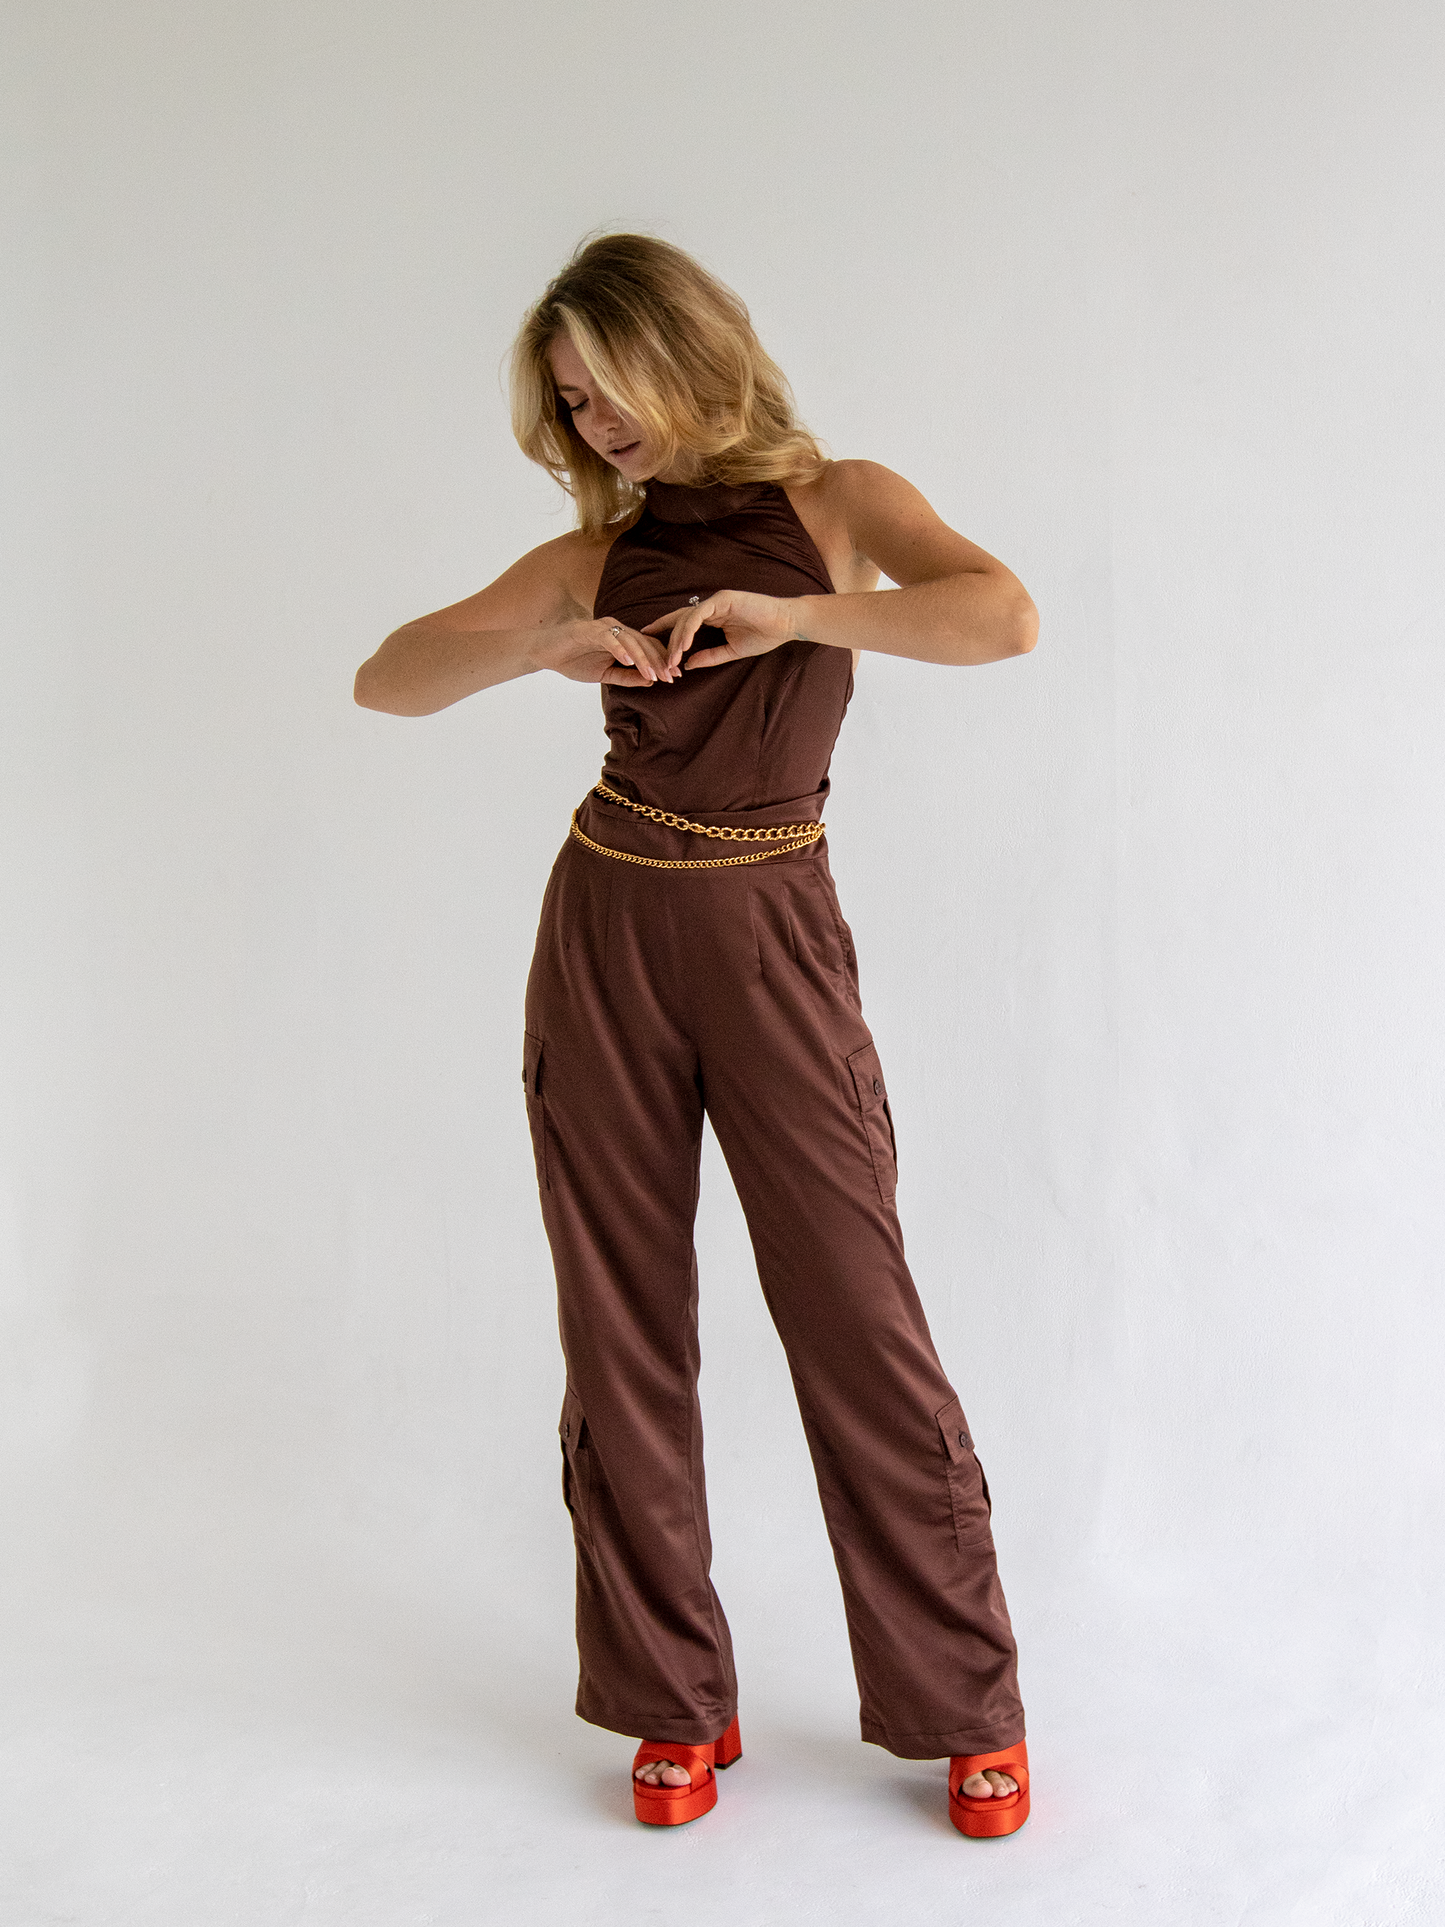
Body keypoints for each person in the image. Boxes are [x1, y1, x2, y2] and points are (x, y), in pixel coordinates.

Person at [354, 232, 1039, 1837]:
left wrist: (796, 616)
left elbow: (1002, 616)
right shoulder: (595, 555)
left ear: (691, 354)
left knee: (855, 1310)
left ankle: (964, 1699)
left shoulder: (841, 502)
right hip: (606, 927)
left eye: (610, 388)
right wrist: (544, 643)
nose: (596, 425)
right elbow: (386, 679)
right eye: (570, 404)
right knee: (622, 1322)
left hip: (772, 927)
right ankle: (671, 1698)